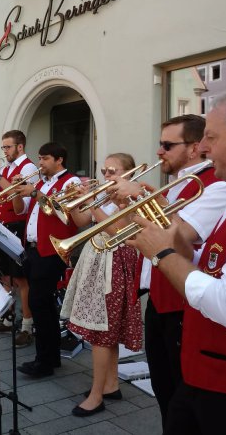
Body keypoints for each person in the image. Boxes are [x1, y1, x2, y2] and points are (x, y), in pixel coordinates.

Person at [128, 87, 226, 434]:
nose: (203, 148)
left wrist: (163, 253)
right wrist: (165, 237)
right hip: (208, 374)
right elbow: (207, 263)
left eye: (212, 137)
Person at [110, 114, 226, 429]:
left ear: (194, 148)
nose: (159, 151)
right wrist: (136, 206)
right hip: (160, 300)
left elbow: (180, 234)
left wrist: (142, 197)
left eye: (167, 145)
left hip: (182, 304)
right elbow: (152, 231)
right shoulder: (179, 185)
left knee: (179, 398)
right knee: (164, 390)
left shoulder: (211, 184)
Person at [60, 153, 142, 417]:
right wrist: (74, 202)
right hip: (97, 258)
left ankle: (96, 396)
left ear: (128, 173)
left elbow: (116, 230)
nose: (106, 175)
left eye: (112, 171)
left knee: (102, 331)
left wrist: (91, 202)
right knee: (108, 330)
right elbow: (83, 222)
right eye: (104, 170)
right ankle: (111, 384)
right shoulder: (106, 195)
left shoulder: (130, 197)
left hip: (115, 261)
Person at [11, 142, 81, 377]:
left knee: (39, 303)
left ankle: (43, 361)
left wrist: (34, 192)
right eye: (39, 158)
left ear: (59, 160)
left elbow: (62, 212)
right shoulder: (41, 183)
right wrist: (16, 191)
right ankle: (51, 357)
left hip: (52, 250)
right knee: (44, 305)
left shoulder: (71, 182)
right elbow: (20, 210)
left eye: (45, 158)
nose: (40, 163)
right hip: (33, 248)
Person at [0, 130, 39, 348]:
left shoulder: (29, 168)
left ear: (20, 147)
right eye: (3, 147)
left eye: (8, 147)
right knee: (5, 276)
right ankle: (7, 317)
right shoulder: (7, 168)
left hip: (18, 225)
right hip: (3, 225)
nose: (4, 151)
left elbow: (19, 194)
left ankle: (27, 325)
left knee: (21, 279)